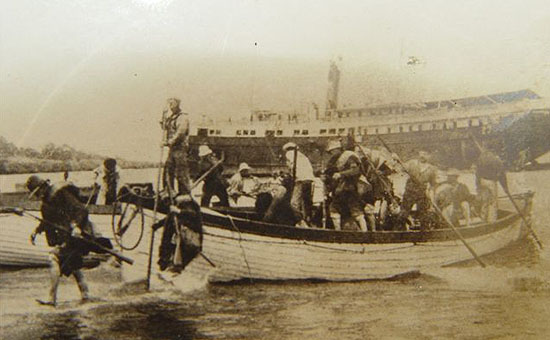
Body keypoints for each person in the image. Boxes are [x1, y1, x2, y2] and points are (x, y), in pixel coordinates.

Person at [26, 175, 110, 306]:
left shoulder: (61, 193)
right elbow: (49, 222)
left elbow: (81, 210)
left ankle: (51, 298)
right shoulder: (46, 204)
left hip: (80, 235)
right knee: (74, 266)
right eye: (35, 194)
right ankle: (86, 295)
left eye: (37, 192)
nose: (38, 196)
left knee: (53, 258)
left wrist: (76, 226)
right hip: (68, 237)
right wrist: (36, 231)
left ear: (43, 187)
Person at [152, 194, 203, 272]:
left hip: (191, 237)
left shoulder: (189, 205)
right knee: (170, 222)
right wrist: (157, 225)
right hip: (181, 236)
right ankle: (165, 260)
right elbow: (170, 216)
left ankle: (169, 262)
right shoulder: (178, 207)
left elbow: (192, 214)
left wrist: (178, 211)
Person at [323, 139, 367, 231]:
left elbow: (355, 170)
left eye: (332, 151)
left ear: (337, 149)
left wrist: (341, 174)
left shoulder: (349, 157)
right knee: (336, 209)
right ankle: (339, 232)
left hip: (351, 188)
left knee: (354, 211)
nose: (331, 154)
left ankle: (365, 232)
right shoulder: (335, 160)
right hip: (340, 189)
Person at [400, 150, 438, 229]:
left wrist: (431, 195)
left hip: (422, 193)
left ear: (430, 156)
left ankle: (424, 233)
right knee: (403, 213)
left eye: (426, 154)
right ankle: (401, 232)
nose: (423, 155)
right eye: (421, 153)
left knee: (423, 214)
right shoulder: (412, 163)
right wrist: (397, 159)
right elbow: (401, 168)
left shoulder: (432, 169)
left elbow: (433, 185)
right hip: (409, 192)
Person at [162, 98, 192, 194]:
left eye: (172, 103)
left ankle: (184, 194)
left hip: (180, 149)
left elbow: (180, 133)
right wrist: (163, 115)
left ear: (178, 104)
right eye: (169, 103)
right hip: (172, 149)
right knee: (167, 170)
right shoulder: (171, 117)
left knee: (181, 173)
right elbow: (164, 126)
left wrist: (169, 142)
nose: (170, 106)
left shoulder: (182, 117)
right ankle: (168, 192)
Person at [282, 142, 315, 227]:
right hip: (309, 179)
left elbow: (291, 168)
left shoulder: (289, 154)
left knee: (294, 203)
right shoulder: (303, 156)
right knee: (305, 202)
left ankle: (300, 222)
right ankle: (308, 220)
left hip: (300, 180)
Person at [474, 148, 505, 222]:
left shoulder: (481, 158)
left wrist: (478, 185)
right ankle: (492, 221)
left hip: (482, 181)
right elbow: (502, 175)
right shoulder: (497, 160)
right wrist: (505, 188)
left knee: (484, 202)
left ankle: (483, 220)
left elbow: (477, 173)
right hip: (491, 182)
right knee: (492, 202)